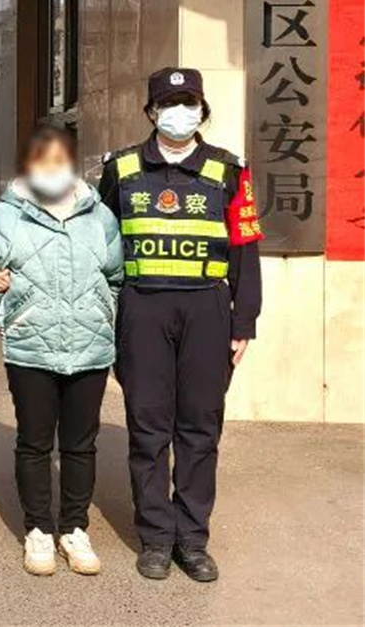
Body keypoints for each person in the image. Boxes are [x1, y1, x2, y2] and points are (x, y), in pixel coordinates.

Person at [99, 67, 262, 584]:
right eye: (169, 103)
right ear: (151, 112)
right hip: (142, 308)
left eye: (189, 103)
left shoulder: (227, 170)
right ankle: (155, 537)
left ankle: (192, 539)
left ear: (202, 110)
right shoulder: (121, 168)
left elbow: (245, 248)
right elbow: (99, 243)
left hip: (206, 309)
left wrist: (244, 321)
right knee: (148, 426)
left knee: (199, 427)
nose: (180, 112)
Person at [0, 125, 124, 577]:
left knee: (80, 444)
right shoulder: (5, 216)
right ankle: (38, 529)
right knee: (34, 442)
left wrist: (101, 314)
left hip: (89, 349)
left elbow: (116, 277)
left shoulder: (100, 216)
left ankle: (74, 528)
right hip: (30, 348)